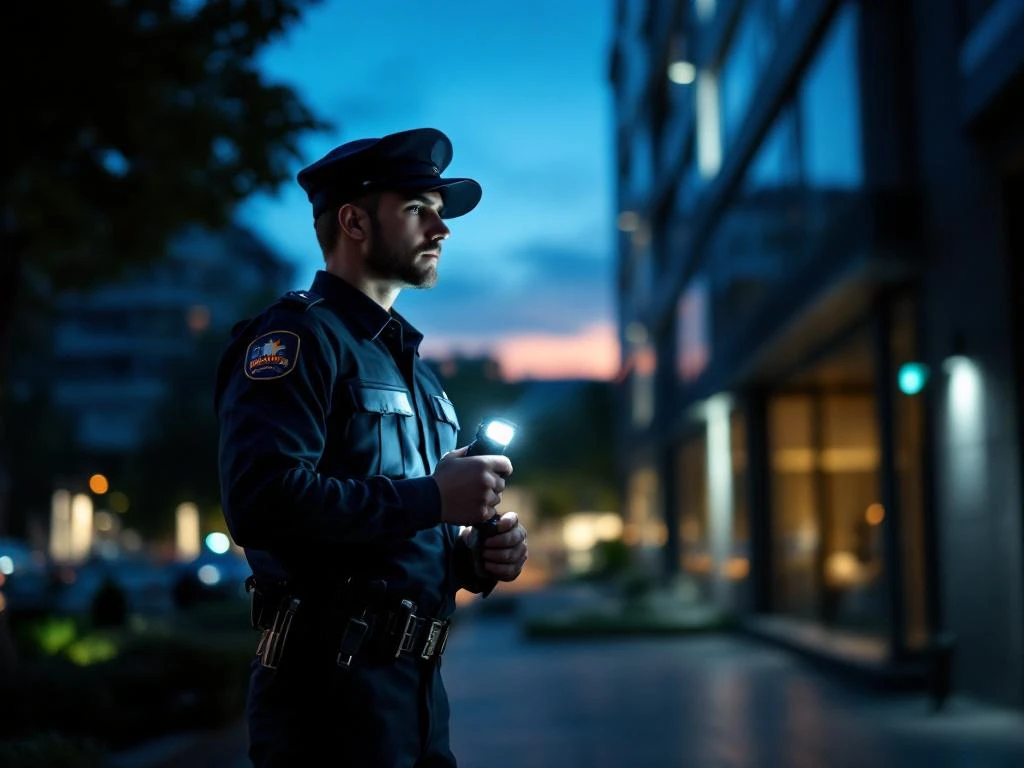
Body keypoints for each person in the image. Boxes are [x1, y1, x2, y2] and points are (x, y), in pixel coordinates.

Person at [213, 127, 529, 767]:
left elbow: (399, 536)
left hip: (417, 703)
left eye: (439, 213)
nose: (441, 230)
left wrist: (472, 557)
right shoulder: (296, 339)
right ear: (354, 222)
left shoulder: (418, 372)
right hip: (325, 707)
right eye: (417, 210)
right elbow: (261, 502)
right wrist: (433, 497)